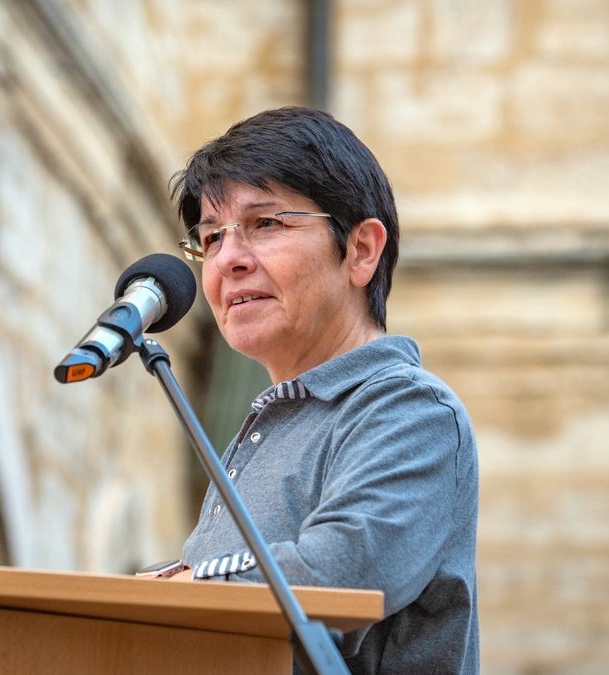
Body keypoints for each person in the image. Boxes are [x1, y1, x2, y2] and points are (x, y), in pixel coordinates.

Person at [171, 106, 479, 674]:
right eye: (211, 237)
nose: (229, 259)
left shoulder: (406, 409)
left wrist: (190, 580)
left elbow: (345, 569)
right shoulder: (269, 422)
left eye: (266, 224)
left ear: (361, 250)